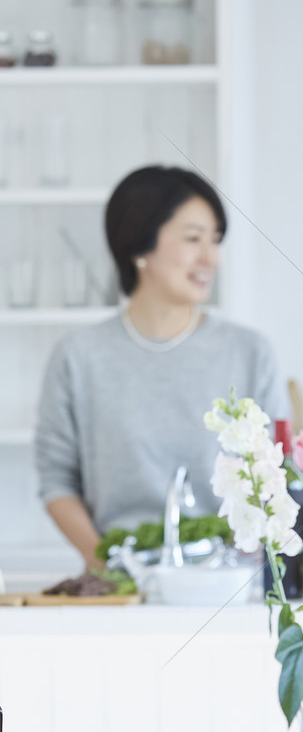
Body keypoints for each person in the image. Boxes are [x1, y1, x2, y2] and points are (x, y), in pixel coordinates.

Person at [35, 165, 284, 570]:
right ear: (139, 245)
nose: (210, 257)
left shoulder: (249, 351)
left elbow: (276, 470)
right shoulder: (78, 357)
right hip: (123, 582)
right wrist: (105, 566)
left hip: (228, 584)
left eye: (216, 240)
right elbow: (56, 480)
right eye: (193, 239)